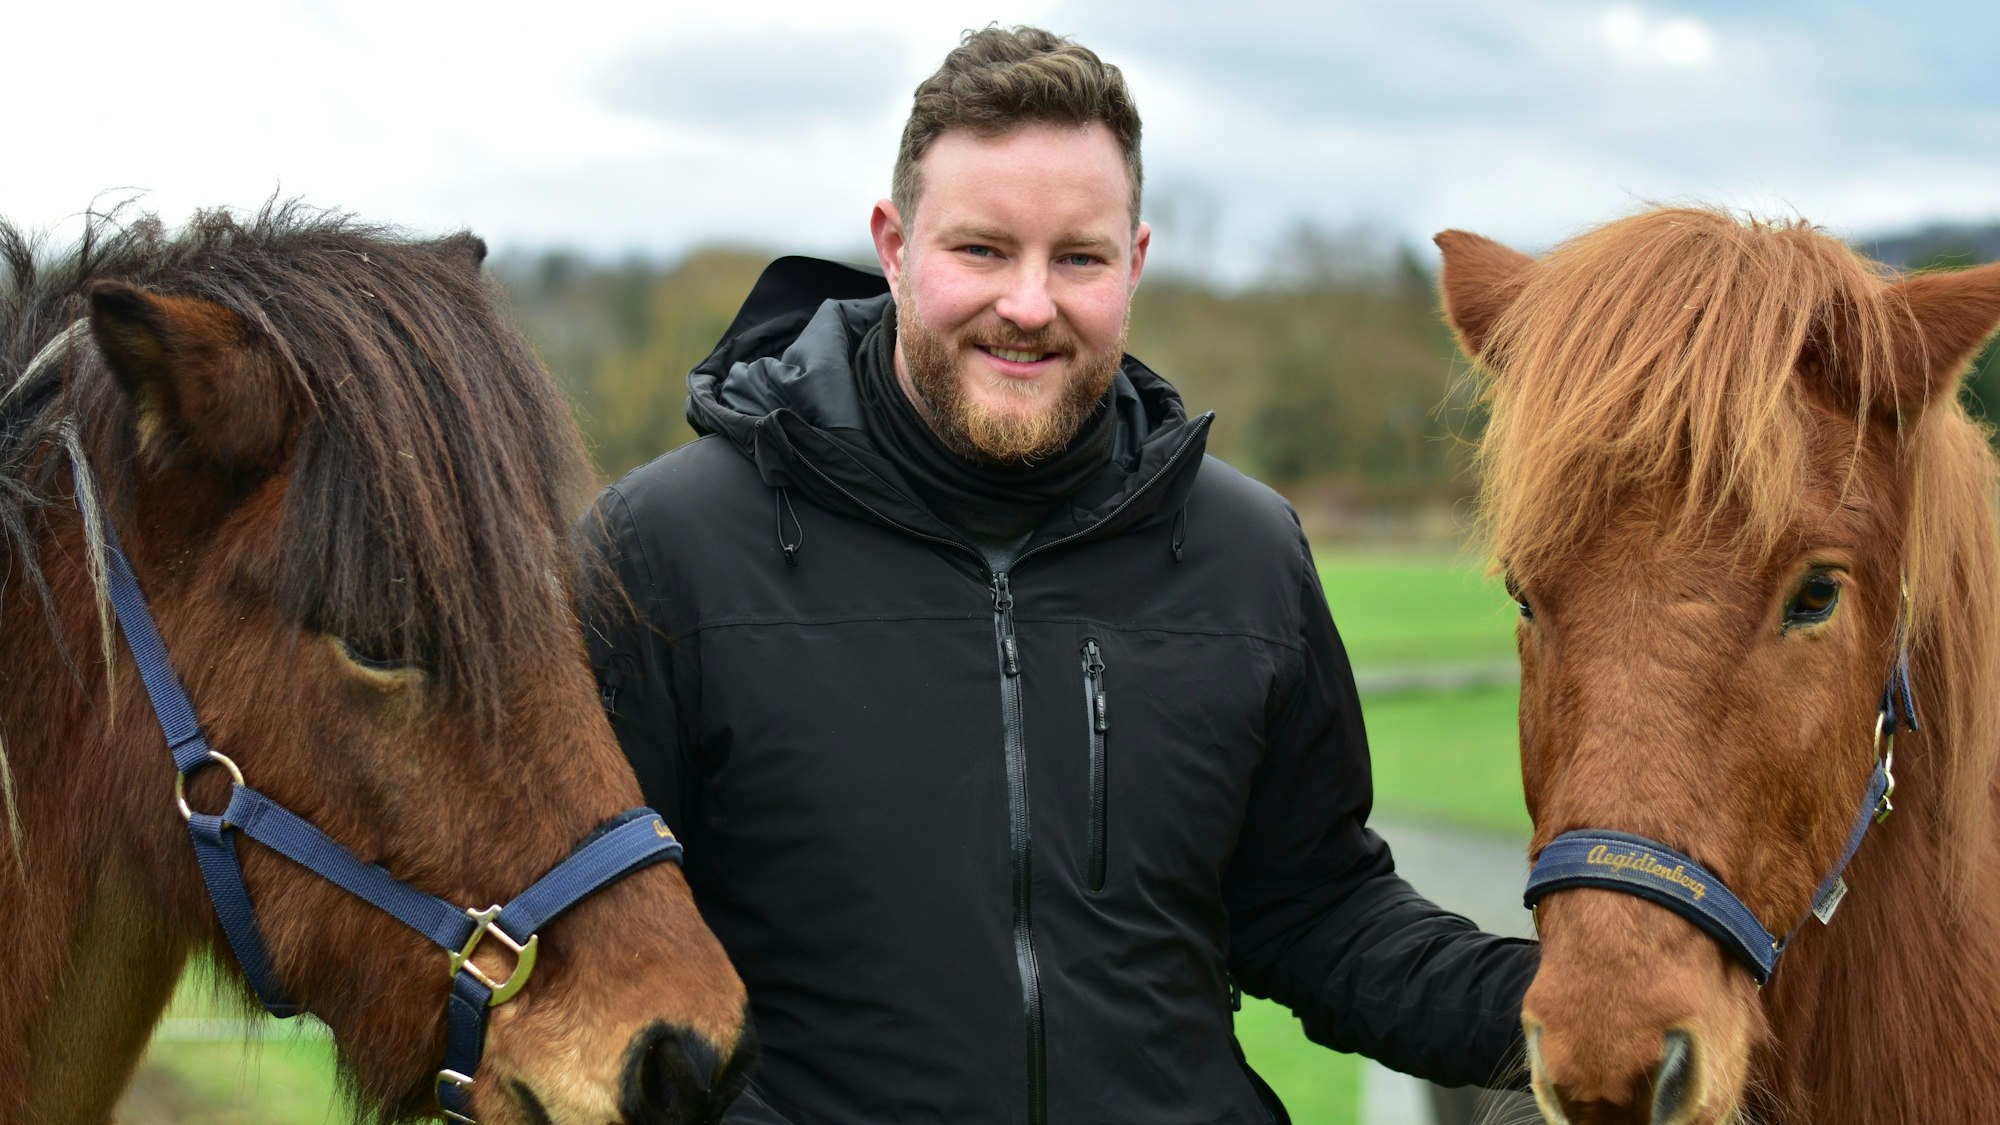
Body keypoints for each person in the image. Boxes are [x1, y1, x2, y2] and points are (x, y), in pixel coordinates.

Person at [580, 25, 1537, 1125]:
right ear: (894, 247)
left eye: (1076, 258)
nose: (1029, 305)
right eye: (981, 250)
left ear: (1130, 265)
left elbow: (1313, 912)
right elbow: (594, 967)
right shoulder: (660, 549)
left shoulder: (1246, 551)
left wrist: (1562, 1004)